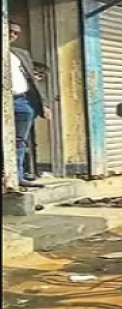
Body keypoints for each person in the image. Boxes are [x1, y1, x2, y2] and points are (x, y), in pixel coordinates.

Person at [9, 21, 51, 188]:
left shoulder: (20, 54)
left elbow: (33, 80)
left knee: (19, 141)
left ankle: (17, 176)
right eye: (9, 31)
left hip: (22, 102)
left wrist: (44, 104)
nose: (12, 35)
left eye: (16, 33)